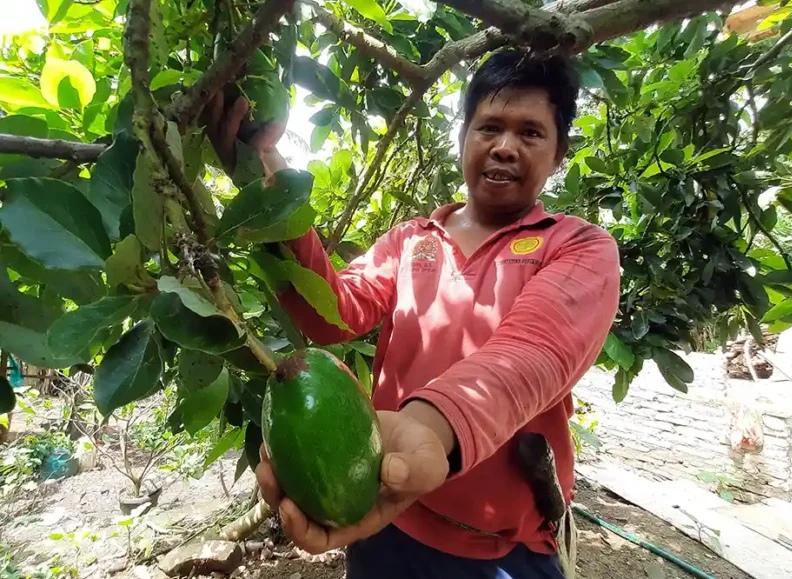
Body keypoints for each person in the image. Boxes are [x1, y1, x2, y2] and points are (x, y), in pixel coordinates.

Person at [204, 49, 621, 579]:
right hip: (385, 524)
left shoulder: (579, 246)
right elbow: (333, 314)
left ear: (559, 152)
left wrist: (430, 425)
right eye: (489, 127)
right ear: (464, 137)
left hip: (507, 549)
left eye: (531, 133)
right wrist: (267, 189)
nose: (505, 147)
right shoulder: (411, 241)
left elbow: (534, 352)